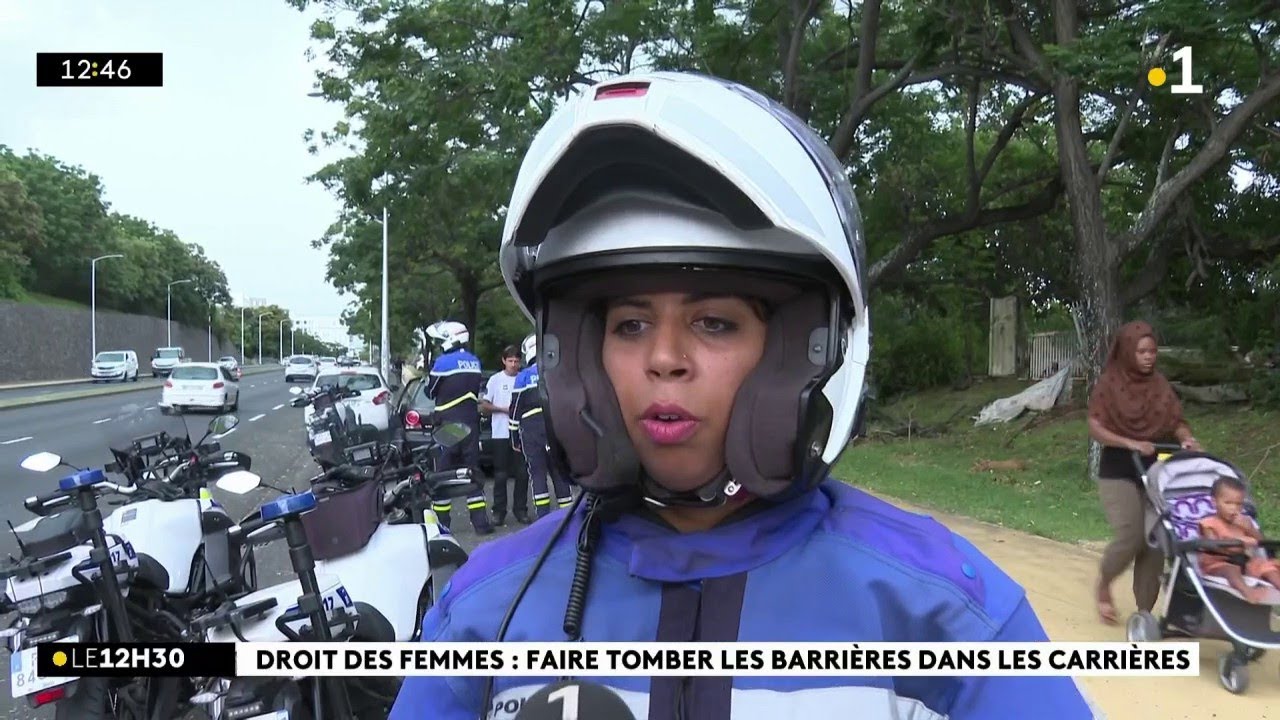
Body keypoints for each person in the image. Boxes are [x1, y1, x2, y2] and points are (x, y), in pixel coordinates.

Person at [390, 71, 1096, 719]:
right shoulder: (487, 609)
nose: (664, 359)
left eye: (714, 322)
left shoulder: (943, 612)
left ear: (799, 351)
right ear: (582, 358)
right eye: (630, 324)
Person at [1087, 320, 1200, 625]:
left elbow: (1176, 420)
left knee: (1154, 539)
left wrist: (1186, 438)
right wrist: (1130, 442)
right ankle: (1104, 584)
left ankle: (1145, 613)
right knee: (1131, 534)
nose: (1149, 357)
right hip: (1118, 471)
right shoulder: (1110, 383)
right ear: (1127, 352)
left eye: (1153, 351)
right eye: (1142, 351)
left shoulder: (1159, 385)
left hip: (1154, 472)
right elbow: (1095, 426)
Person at [424, 320, 494, 535]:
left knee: (443, 474)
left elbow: (430, 391)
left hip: (449, 425)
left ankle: (441, 524)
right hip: (471, 424)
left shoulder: (443, 362)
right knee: (471, 472)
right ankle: (481, 523)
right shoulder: (474, 361)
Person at [509, 333, 573, 518]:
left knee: (537, 475)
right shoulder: (556, 372)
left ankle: (543, 518)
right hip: (555, 426)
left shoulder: (523, 377)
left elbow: (515, 410)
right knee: (560, 472)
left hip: (531, 429)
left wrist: (514, 437)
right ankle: (568, 516)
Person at [1197, 475, 1280, 603]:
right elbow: (1212, 545)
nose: (1233, 508)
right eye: (1228, 503)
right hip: (1218, 564)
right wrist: (1239, 542)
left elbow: (1261, 542)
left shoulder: (1244, 522)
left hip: (1244, 563)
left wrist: (1251, 529)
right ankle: (1248, 592)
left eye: (1238, 504)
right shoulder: (1209, 523)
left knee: (1266, 566)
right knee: (1231, 570)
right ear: (1214, 502)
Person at [481, 344, 530, 526]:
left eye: (517, 361)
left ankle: (520, 510)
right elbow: (484, 406)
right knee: (500, 475)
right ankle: (498, 512)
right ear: (504, 361)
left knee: (522, 474)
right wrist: (503, 409)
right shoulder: (495, 380)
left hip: (520, 433)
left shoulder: (524, 379)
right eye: (510, 361)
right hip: (500, 432)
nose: (513, 365)